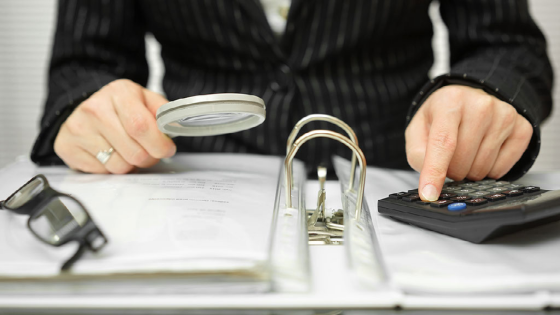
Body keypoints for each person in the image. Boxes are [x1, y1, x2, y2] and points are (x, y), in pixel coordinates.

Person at [32, 0, 553, 202]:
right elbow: (83, 67)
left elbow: (506, 44)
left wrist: (484, 91)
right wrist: (88, 106)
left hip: (400, 185)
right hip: (195, 198)